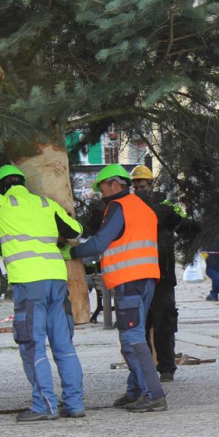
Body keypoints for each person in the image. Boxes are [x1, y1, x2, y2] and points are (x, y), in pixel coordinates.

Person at [0, 156, 86, 422]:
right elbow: (75, 231)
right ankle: (74, 404)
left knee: (32, 344)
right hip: (56, 280)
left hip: (30, 285)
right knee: (64, 345)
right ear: (23, 183)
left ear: (1, 186)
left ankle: (45, 405)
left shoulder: (2, 201)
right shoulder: (45, 203)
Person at [70, 165, 167, 412]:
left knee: (132, 338)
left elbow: (101, 242)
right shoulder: (143, 207)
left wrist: (73, 252)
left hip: (129, 281)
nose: (101, 193)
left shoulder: (117, 206)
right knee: (134, 337)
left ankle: (153, 394)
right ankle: (135, 391)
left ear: (114, 184)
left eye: (101, 187)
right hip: (146, 279)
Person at [129, 165, 197, 383]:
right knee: (140, 325)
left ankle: (166, 368)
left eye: (142, 185)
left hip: (162, 275)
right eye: (136, 186)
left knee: (164, 324)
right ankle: (146, 369)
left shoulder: (165, 207)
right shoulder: (128, 207)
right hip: (137, 275)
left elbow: (186, 226)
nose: (139, 189)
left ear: (151, 185)